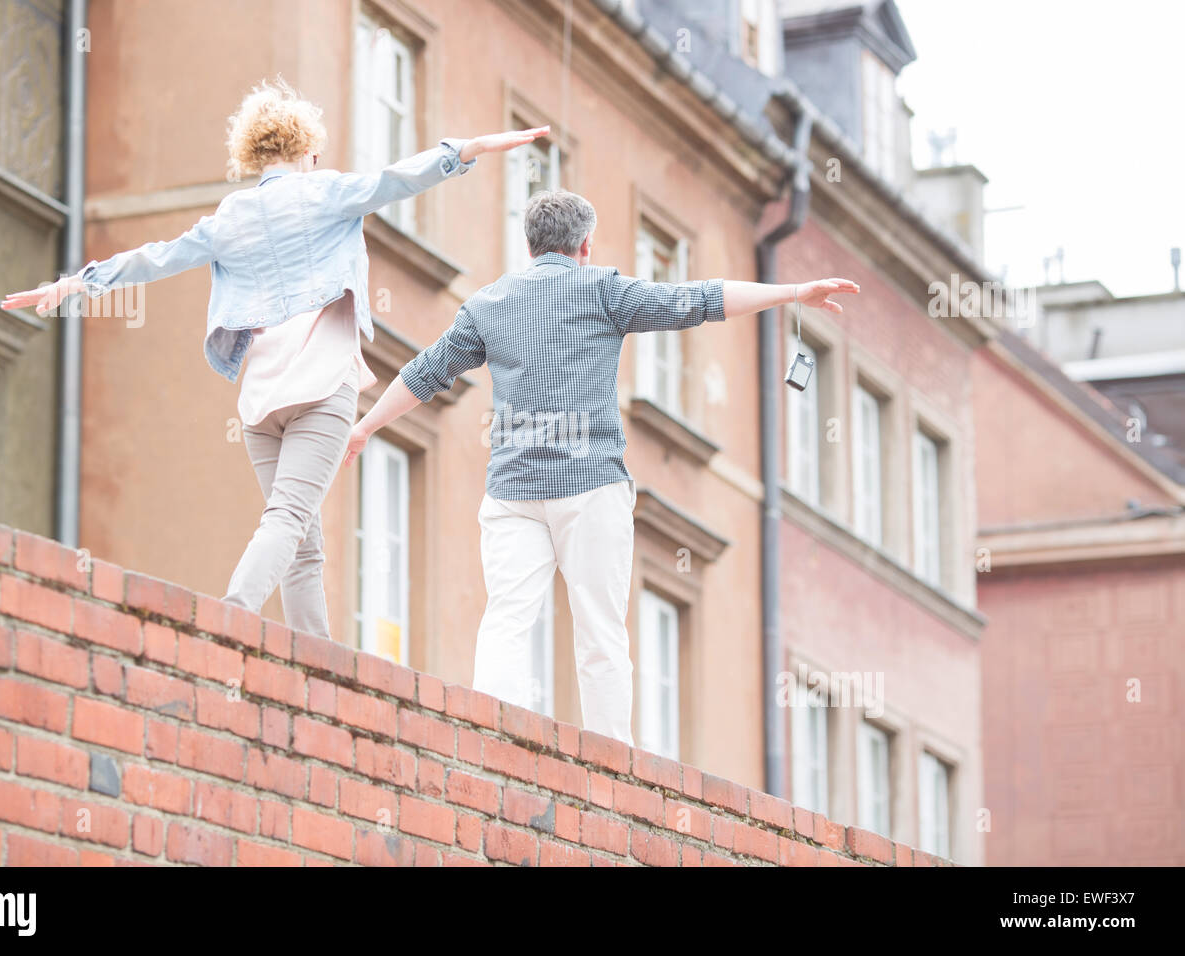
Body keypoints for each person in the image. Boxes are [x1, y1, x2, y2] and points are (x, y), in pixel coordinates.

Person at [1, 78, 548, 640]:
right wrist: (467, 150)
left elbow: (154, 259)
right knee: (289, 520)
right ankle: (232, 614)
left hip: (261, 401)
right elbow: (397, 180)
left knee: (301, 538)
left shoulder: (229, 217)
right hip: (322, 385)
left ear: (255, 153)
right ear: (308, 150)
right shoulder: (327, 191)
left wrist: (73, 284)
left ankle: (318, 665)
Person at [345, 189, 859, 745]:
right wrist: (792, 293)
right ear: (585, 244)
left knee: (507, 618)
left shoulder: (489, 304)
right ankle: (612, 763)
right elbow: (700, 299)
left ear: (529, 243)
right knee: (600, 631)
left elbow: (427, 372)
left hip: (512, 491)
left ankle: (487, 738)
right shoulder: (605, 292)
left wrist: (365, 425)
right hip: (590, 487)